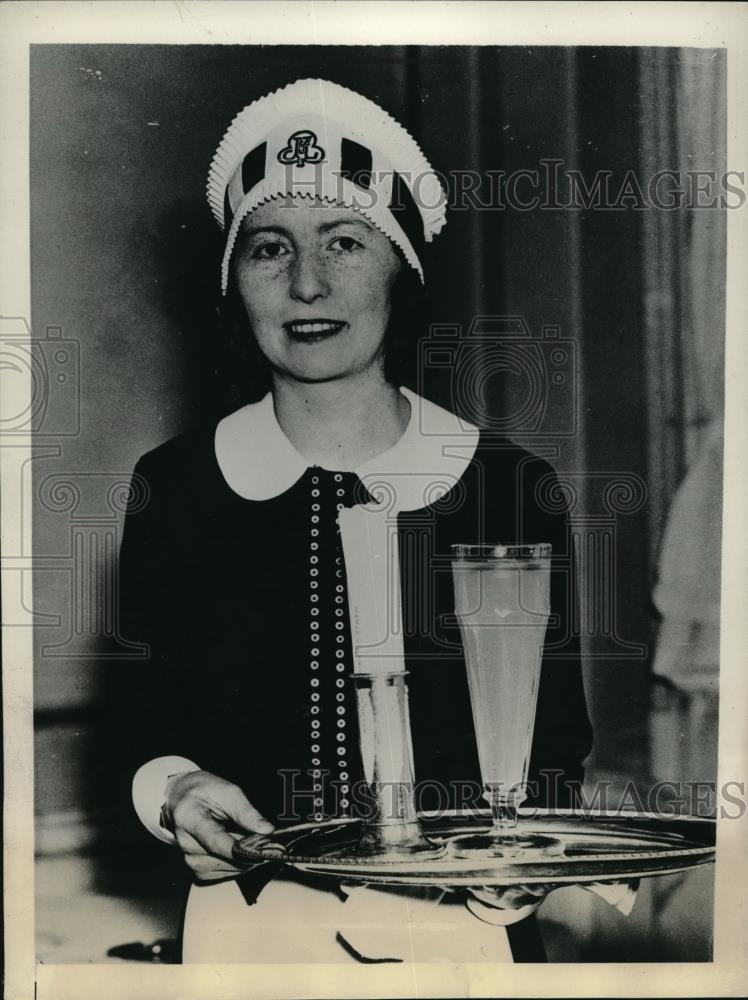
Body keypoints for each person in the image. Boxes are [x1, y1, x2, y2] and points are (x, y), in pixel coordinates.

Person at [120, 78, 595, 964]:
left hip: (466, 941)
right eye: (269, 248)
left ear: (403, 270)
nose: (307, 283)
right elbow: (146, 728)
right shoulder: (177, 487)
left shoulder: (505, 487)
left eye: (344, 242)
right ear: (233, 281)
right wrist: (175, 790)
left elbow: (557, 744)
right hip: (249, 940)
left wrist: (524, 862)